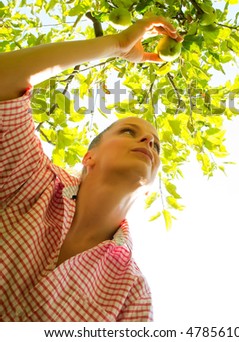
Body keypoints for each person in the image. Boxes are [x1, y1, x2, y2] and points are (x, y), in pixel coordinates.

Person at [0, 16, 183, 322]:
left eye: (156, 144)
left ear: (151, 182)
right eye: (128, 131)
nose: (149, 140)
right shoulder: (31, 179)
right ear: (89, 157)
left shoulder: (131, 294)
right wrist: (115, 45)